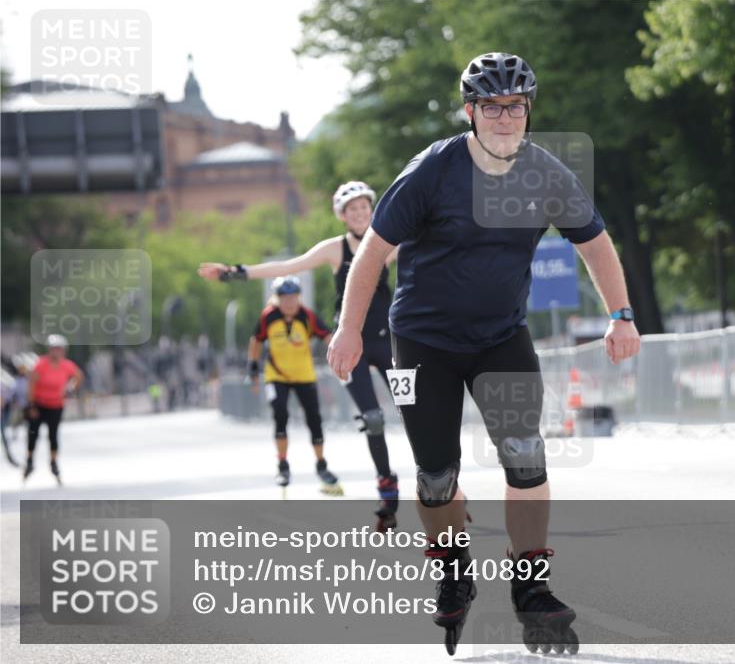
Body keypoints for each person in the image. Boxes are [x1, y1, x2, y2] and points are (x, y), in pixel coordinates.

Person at [327, 51, 641, 654]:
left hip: (501, 336)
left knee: (526, 456)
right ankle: (453, 572)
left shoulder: (546, 173)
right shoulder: (431, 172)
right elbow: (371, 254)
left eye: (515, 107)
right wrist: (347, 329)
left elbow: (595, 242)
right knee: (436, 475)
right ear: (471, 112)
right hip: (419, 344)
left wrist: (620, 315)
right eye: (492, 107)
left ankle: (532, 590)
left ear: (528, 111)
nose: (505, 118)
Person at [198, 181, 401, 527]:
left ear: (372, 210)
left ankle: (443, 487)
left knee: (418, 412)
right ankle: (387, 489)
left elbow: (428, 244)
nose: (359, 214)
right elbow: (286, 268)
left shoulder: (386, 243)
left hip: (386, 342)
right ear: (342, 216)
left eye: (364, 208)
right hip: (350, 345)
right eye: (352, 210)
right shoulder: (335, 249)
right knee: (373, 418)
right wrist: (235, 272)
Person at [246, 276, 343, 495]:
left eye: (293, 297)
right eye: (284, 298)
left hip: (304, 376)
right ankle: (283, 466)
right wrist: (252, 370)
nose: (289, 302)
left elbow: (327, 335)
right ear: (277, 299)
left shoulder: (307, 316)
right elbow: (256, 341)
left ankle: (321, 465)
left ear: (299, 297)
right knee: (280, 414)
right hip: (276, 376)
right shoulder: (268, 317)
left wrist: (341, 351)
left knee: (314, 419)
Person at [25, 335, 83, 484]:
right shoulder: (41, 364)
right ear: (49, 350)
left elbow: (78, 376)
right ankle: (30, 460)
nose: (56, 352)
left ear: (63, 351)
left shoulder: (66, 365)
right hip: (39, 404)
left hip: (56, 405)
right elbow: (32, 384)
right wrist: (31, 405)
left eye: (59, 349)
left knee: (53, 435)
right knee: (33, 434)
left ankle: (53, 462)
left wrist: (70, 388)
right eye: (54, 349)